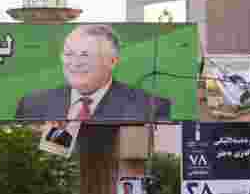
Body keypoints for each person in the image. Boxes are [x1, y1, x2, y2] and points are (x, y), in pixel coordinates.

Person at [15, 24, 172, 122]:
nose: (75, 63)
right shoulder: (32, 105)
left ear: (112, 61)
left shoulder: (150, 107)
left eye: (85, 55)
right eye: (69, 54)